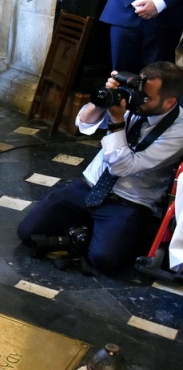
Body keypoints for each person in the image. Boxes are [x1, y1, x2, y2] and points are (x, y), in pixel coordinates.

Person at [18, 63, 183, 276]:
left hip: (128, 201)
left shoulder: (179, 131)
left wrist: (116, 121)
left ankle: (83, 235)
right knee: (27, 232)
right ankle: (87, 233)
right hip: (89, 186)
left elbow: (123, 166)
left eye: (146, 98)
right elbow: (83, 124)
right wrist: (104, 99)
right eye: (138, 92)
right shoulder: (133, 99)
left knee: (105, 261)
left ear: (170, 101)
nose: (137, 100)